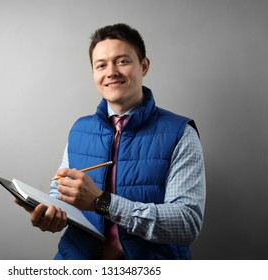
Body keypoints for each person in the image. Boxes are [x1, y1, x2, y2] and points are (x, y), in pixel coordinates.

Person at [15, 23, 206, 259]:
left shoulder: (181, 132)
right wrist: (52, 215)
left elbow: (187, 223)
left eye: (122, 61)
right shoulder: (80, 129)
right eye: (101, 65)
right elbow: (59, 192)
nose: (111, 72)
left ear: (144, 66)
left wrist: (102, 202)